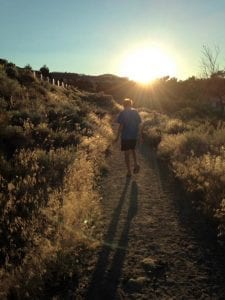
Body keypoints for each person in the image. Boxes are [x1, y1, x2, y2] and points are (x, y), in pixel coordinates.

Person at [115, 98, 142, 177]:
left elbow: (121, 126)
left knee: (126, 154)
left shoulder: (123, 113)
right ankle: (136, 164)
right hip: (134, 136)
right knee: (133, 150)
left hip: (125, 137)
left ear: (124, 105)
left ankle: (129, 171)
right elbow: (139, 125)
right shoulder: (135, 112)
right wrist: (140, 136)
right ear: (131, 104)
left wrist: (117, 136)